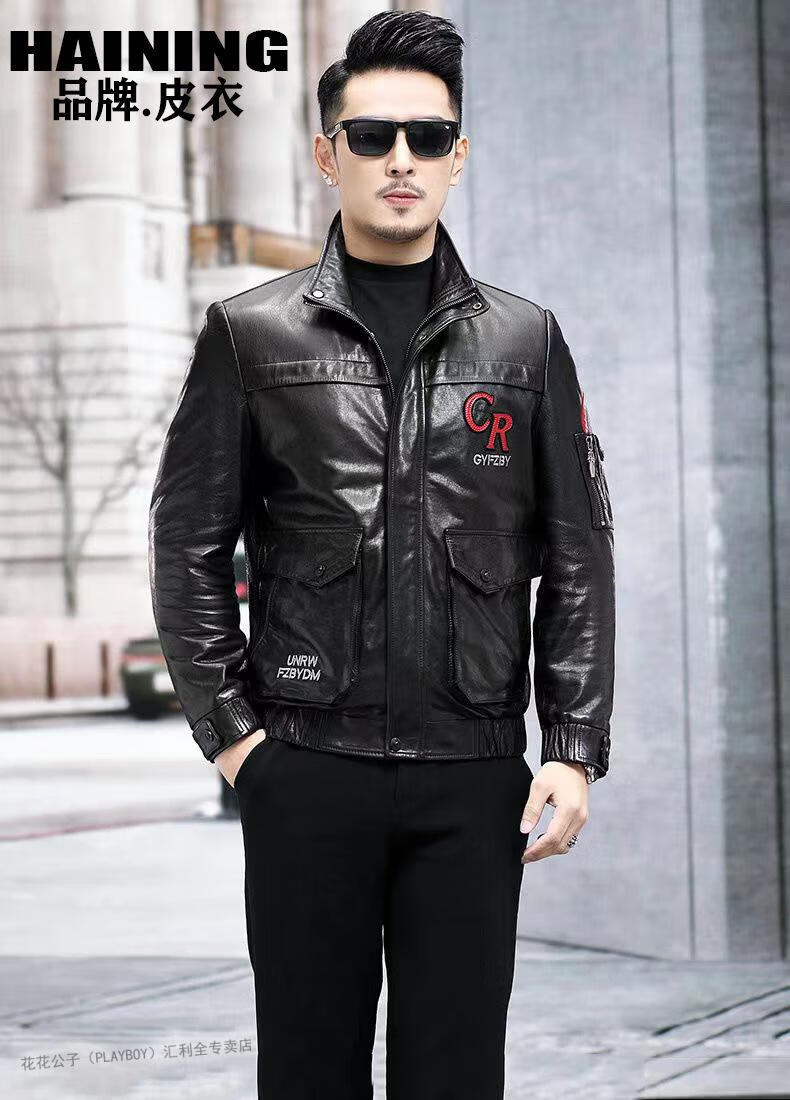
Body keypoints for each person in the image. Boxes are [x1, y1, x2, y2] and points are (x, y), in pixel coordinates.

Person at [148, 9, 615, 1099]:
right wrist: (236, 740)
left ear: (458, 155)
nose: (399, 159)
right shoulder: (250, 334)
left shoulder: (525, 340)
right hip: (306, 765)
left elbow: (577, 553)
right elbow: (186, 544)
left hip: (472, 774)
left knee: (456, 1073)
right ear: (329, 155)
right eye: (371, 137)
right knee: (308, 1071)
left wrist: (573, 745)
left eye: (426, 136)